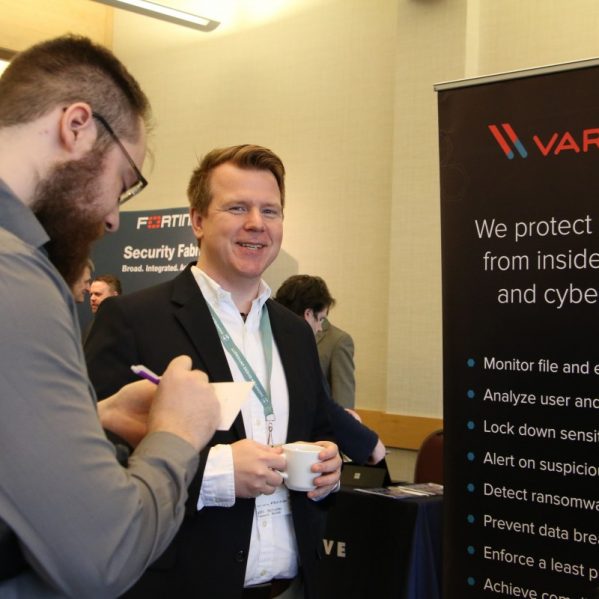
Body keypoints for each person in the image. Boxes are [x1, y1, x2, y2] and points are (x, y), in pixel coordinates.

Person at [0, 35, 221, 597]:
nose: (113, 219)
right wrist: (177, 434)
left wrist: (91, 418)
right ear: (76, 125)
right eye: (122, 184)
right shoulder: (17, 277)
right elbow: (105, 556)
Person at [85, 144, 343, 599]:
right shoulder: (134, 319)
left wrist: (329, 463)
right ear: (198, 221)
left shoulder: (293, 332)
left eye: (270, 210)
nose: (256, 224)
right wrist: (215, 473)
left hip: (293, 585)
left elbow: (319, 425)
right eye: (237, 207)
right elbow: (91, 462)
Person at [274, 274, 386, 465]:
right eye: (321, 319)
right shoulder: (294, 345)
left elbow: (342, 403)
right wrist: (367, 441)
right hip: (299, 453)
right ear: (308, 314)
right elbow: (323, 404)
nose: (320, 328)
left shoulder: (337, 340)